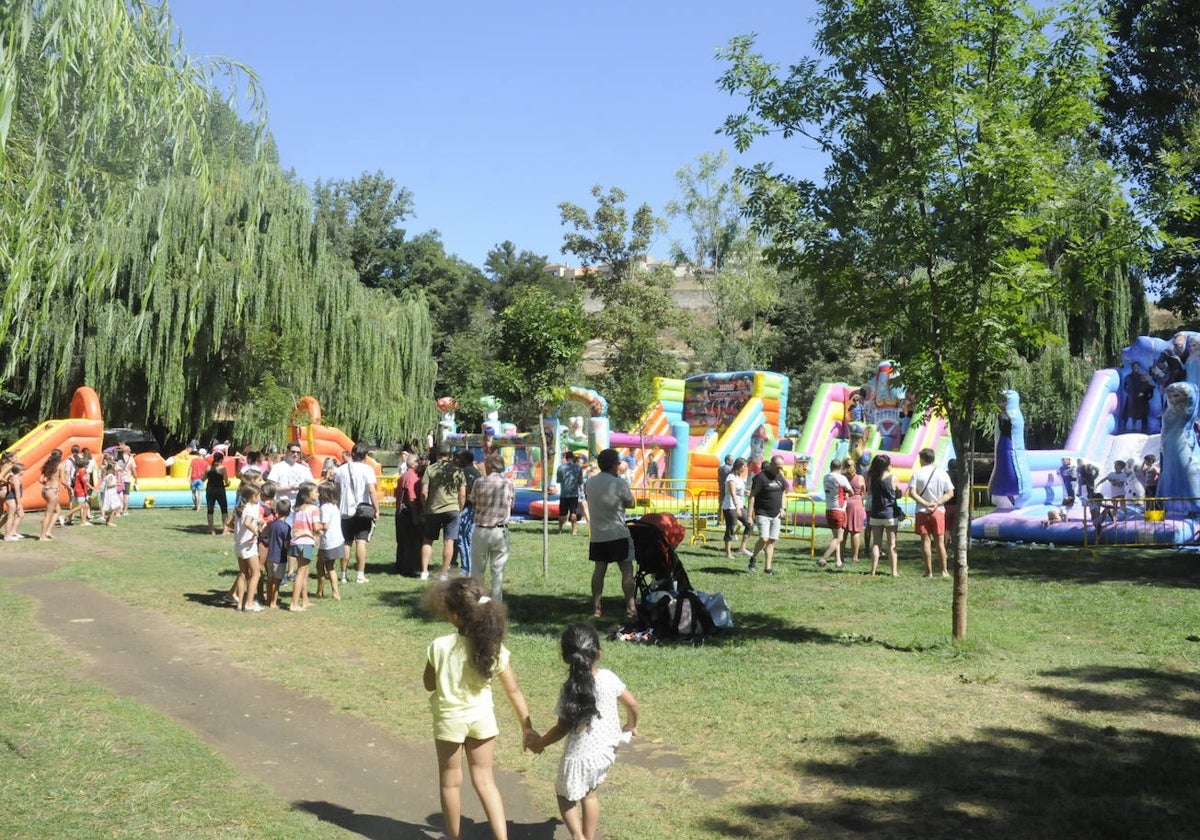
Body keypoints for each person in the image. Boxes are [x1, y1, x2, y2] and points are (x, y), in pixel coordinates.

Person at [423, 577, 536, 840]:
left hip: (449, 721)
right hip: (482, 719)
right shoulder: (493, 648)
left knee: (450, 781)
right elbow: (514, 690)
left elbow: (429, 684)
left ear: (452, 614)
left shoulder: (439, 646)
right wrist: (527, 727)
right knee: (485, 781)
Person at [530, 623, 639, 840]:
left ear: (565, 657)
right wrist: (631, 725)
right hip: (605, 751)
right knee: (590, 795)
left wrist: (540, 743)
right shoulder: (608, 677)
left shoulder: (570, 689)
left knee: (564, 796)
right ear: (598, 653)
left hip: (579, 757)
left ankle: (578, 837)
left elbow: (562, 728)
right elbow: (632, 704)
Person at [584, 448, 637, 619]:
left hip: (598, 534)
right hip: (618, 533)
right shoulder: (619, 483)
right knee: (627, 572)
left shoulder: (590, 482)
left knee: (599, 571)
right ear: (615, 465)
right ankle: (631, 608)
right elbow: (631, 504)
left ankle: (596, 608)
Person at [470, 453, 515, 602]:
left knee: (477, 569)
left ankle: (477, 599)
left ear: (489, 466)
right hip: (501, 530)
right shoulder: (508, 484)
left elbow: (473, 501)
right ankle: (497, 603)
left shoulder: (479, 482)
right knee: (498, 571)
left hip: (482, 529)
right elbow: (511, 505)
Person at [333, 441, 378, 584]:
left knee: (346, 542)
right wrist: (377, 509)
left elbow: (337, 491)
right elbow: (371, 491)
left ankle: (343, 575)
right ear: (365, 455)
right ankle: (360, 575)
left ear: (352, 454)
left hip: (345, 510)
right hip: (363, 510)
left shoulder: (341, 470)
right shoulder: (368, 470)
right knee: (361, 542)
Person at [421, 442, 466, 582]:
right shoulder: (458, 470)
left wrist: (425, 507)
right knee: (449, 541)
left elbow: (423, 492)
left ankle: (424, 572)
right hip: (452, 509)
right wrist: (460, 507)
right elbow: (462, 493)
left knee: (428, 540)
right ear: (450, 455)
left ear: (437, 454)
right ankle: (444, 573)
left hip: (433, 509)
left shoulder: (430, 469)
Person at [907, 448, 955, 578]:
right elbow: (950, 492)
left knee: (925, 542)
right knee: (940, 542)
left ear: (922, 459)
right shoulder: (942, 473)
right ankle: (944, 571)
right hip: (938, 511)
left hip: (922, 511)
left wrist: (925, 503)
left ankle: (929, 572)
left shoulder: (917, 473)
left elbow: (912, 492)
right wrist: (937, 503)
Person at [745, 455, 788, 575]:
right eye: (778, 467)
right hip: (762, 513)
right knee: (764, 538)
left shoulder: (780, 477)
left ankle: (767, 568)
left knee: (772, 540)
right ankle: (753, 558)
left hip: (776, 514)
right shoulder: (760, 478)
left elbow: (783, 492)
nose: (780, 470)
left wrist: (783, 508)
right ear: (772, 465)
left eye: (781, 467)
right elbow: (752, 496)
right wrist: (749, 516)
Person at [288, 483, 322, 611]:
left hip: (296, 541)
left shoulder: (298, 508)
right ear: (308, 494)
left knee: (303, 571)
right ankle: (294, 603)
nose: (318, 494)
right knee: (301, 573)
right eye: (316, 492)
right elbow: (316, 527)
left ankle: (305, 600)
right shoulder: (314, 509)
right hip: (306, 542)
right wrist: (324, 526)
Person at [232, 484, 264, 613]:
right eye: (258, 495)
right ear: (252, 496)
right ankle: (249, 603)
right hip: (248, 546)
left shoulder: (240, 508)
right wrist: (256, 532)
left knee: (242, 573)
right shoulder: (252, 508)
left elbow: (235, 523)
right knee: (256, 573)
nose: (260, 497)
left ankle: (240, 603)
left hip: (239, 545)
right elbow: (247, 523)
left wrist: (260, 522)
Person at [867, 454, 901, 577]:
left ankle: (873, 570)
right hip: (890, 514)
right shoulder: (893, 478)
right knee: (892, 544)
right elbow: (899, 494)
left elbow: (869, 491)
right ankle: (894, 571)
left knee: (876, 543)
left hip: (876, 513)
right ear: (887, 466)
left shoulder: (872, 478)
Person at [818, 459, 853, 569]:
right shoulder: (841, 478)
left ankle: (838, 561)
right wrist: (846, 494)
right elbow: (851, 491)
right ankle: (824, 558)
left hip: (829, 509)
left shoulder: (826, 477)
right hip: (839, 509)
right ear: (840, 467)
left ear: (830, 466)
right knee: (839, 538)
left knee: (835, 537)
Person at [394, 453, 424, 577]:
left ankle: (400, 565)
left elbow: (397, 493)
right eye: (418, 462)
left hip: (400, 511)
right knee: (412, 541)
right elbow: (412, 497)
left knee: (401, 541)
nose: (420, 464)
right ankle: (410, 568)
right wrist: (416, 515)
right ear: (413, 464)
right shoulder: (413, 478)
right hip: (408, 511)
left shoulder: (403, 476)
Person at [260, 498, 292, 610]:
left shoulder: (272, 524)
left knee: (270, 579)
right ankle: (273, 602)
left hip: (270, 556)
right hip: (280, 558)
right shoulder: (286, 527)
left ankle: (268, 599)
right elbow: (286, 545)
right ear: (289, 512)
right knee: (277, 582)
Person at [453, 449, 482, 575]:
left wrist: (460, 509)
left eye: (457, 458)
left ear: (464, 459)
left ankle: (467, 569)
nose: (455, 461)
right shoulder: (477, 473)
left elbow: (464, 493)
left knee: (463, 538)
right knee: (468, 537)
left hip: (467, 508)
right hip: (476, 508)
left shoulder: (464, 473)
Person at [315, 481, 343, 601]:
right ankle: (322, 591)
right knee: (323, 565)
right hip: (337, 540)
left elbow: (325, 525)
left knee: (326, 566)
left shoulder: (325, 508)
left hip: (329, 542)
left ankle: (332, 592)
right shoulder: (334, 506)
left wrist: (314, 528)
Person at [720, 457, 753, 560]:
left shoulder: (740, 477)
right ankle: (728, 553)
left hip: (740, 505)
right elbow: (733, 493)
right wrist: (737, 507)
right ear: (739, 466)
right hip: (730, 506)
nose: (745, 468)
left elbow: (739, 491)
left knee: (750, 524)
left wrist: (746, 492)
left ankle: (742, 548)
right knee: (731, 528)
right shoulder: (731, 478)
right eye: (744, 466)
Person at [267, 442, 315, 509]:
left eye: (298, 452)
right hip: (282, 507)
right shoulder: (277, 467)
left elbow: (312, 484)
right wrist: (290, 488)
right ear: (287, 451)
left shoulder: (303, 469)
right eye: (293, 452)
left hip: (299, 507)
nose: (295, 454)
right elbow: (271, 488)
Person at [841, 457, 866, 563]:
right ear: (854, 466)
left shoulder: (842, 478)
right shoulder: (860, 478)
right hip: (857, 505)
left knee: (843, 532)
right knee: (855, 532)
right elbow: (863, 491)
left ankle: (840, 555)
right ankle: (855, 557)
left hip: (845, 505)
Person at [38, 449, 65, 540]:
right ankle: (42, 536)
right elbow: (63, 480)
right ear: (60, 456)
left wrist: (47, 485)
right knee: (48, 515)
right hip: (52, 491)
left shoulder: (47, 465)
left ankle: (48, 531)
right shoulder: (60, 466)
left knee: (58, 511)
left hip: (46, 490)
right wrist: (70, 488)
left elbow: (41, 480)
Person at [556, 451, 584, 536]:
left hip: (564, 494)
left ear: (566, 458)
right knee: (573, 512)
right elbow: (580, 481)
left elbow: (558, 480)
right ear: (573, 458)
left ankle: (560, 530)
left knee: (562, 513)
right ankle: (574, 531)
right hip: (574, 494)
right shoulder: (578, 468)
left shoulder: (561, 467)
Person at [203, 451, 230, 535]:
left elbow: (203, 479)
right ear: (221, 459)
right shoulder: (222, 468)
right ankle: (225, 529)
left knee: (210, 510)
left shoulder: (208, 468)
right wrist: (228, 483)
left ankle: (211, 529)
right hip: (220, 490)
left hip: (210, 489)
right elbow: (226, 481)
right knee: (224, 509)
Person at [4, 462, 26, 541]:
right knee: (11, 517)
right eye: (24, 470)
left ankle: (13, 531)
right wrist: (19, 504)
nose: (24, 471)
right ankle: (7, 536)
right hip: (11, 499)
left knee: (21, 514)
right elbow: (17, 493)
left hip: (13, 499)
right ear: (19, 471)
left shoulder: (15, 477)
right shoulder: (16, 479)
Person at [72, 450, 93, 526]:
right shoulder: (82, 471)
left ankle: (83, 521)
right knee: (80, 506)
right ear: (85, 465)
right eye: (88, 464)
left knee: (86, 506)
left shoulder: (82, 471)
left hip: (82, 491)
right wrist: (93, 488)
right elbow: (85, 482)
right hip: (80, 491)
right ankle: (65, 516)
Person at [100, 457, 121, 526]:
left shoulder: (111, 475)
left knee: (116, 506)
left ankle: (108, 520)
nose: (117, 468)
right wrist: (116, 483)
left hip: (112, 492)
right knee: (115, 507)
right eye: (116, 466)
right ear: (112, 468)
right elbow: (109, 485)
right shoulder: (110, 475)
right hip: (110, 493)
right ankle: (110, 522)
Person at [188, 446, 208, 511]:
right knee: (200, 493)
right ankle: (198, 508)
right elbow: (206, 472)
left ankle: (195, 505)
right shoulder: (206, 463)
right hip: (201, 479)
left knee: (193, 493)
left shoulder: (194, 460)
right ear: (204, 455)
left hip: (193, 478)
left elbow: (190, 469)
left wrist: (188, 476)